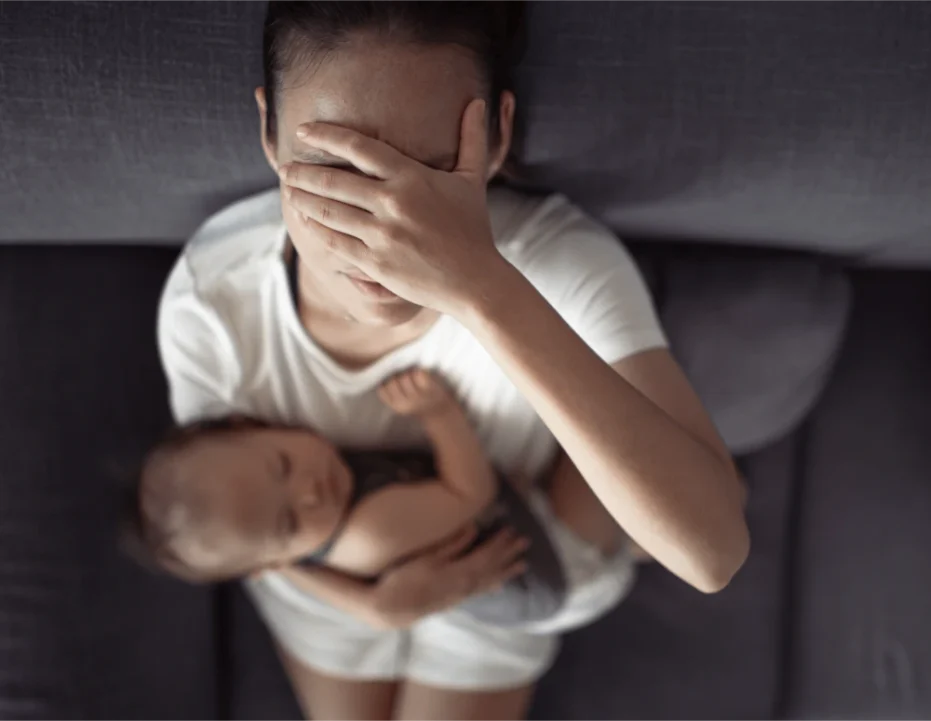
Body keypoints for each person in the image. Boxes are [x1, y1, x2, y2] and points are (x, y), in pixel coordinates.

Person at [158, 0, 750, 719]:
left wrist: (481, 287)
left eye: (429, 172)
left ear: (496, 137)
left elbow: (711, 552)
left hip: (504, 560)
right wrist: (370, 603)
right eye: (332, 172)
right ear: (270, 135)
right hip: (330, 584)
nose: (385, 229)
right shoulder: (212, 307)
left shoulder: (556, 266)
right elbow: (244, 532)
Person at [127, 368, 568, 626]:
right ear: (275, 561)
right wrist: (439, 414)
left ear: (252, 424)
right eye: (289, 523)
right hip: (547, 565)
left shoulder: (283, 553)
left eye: (283, 466)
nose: (310, 493)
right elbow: (472, 492)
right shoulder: (369, 533)